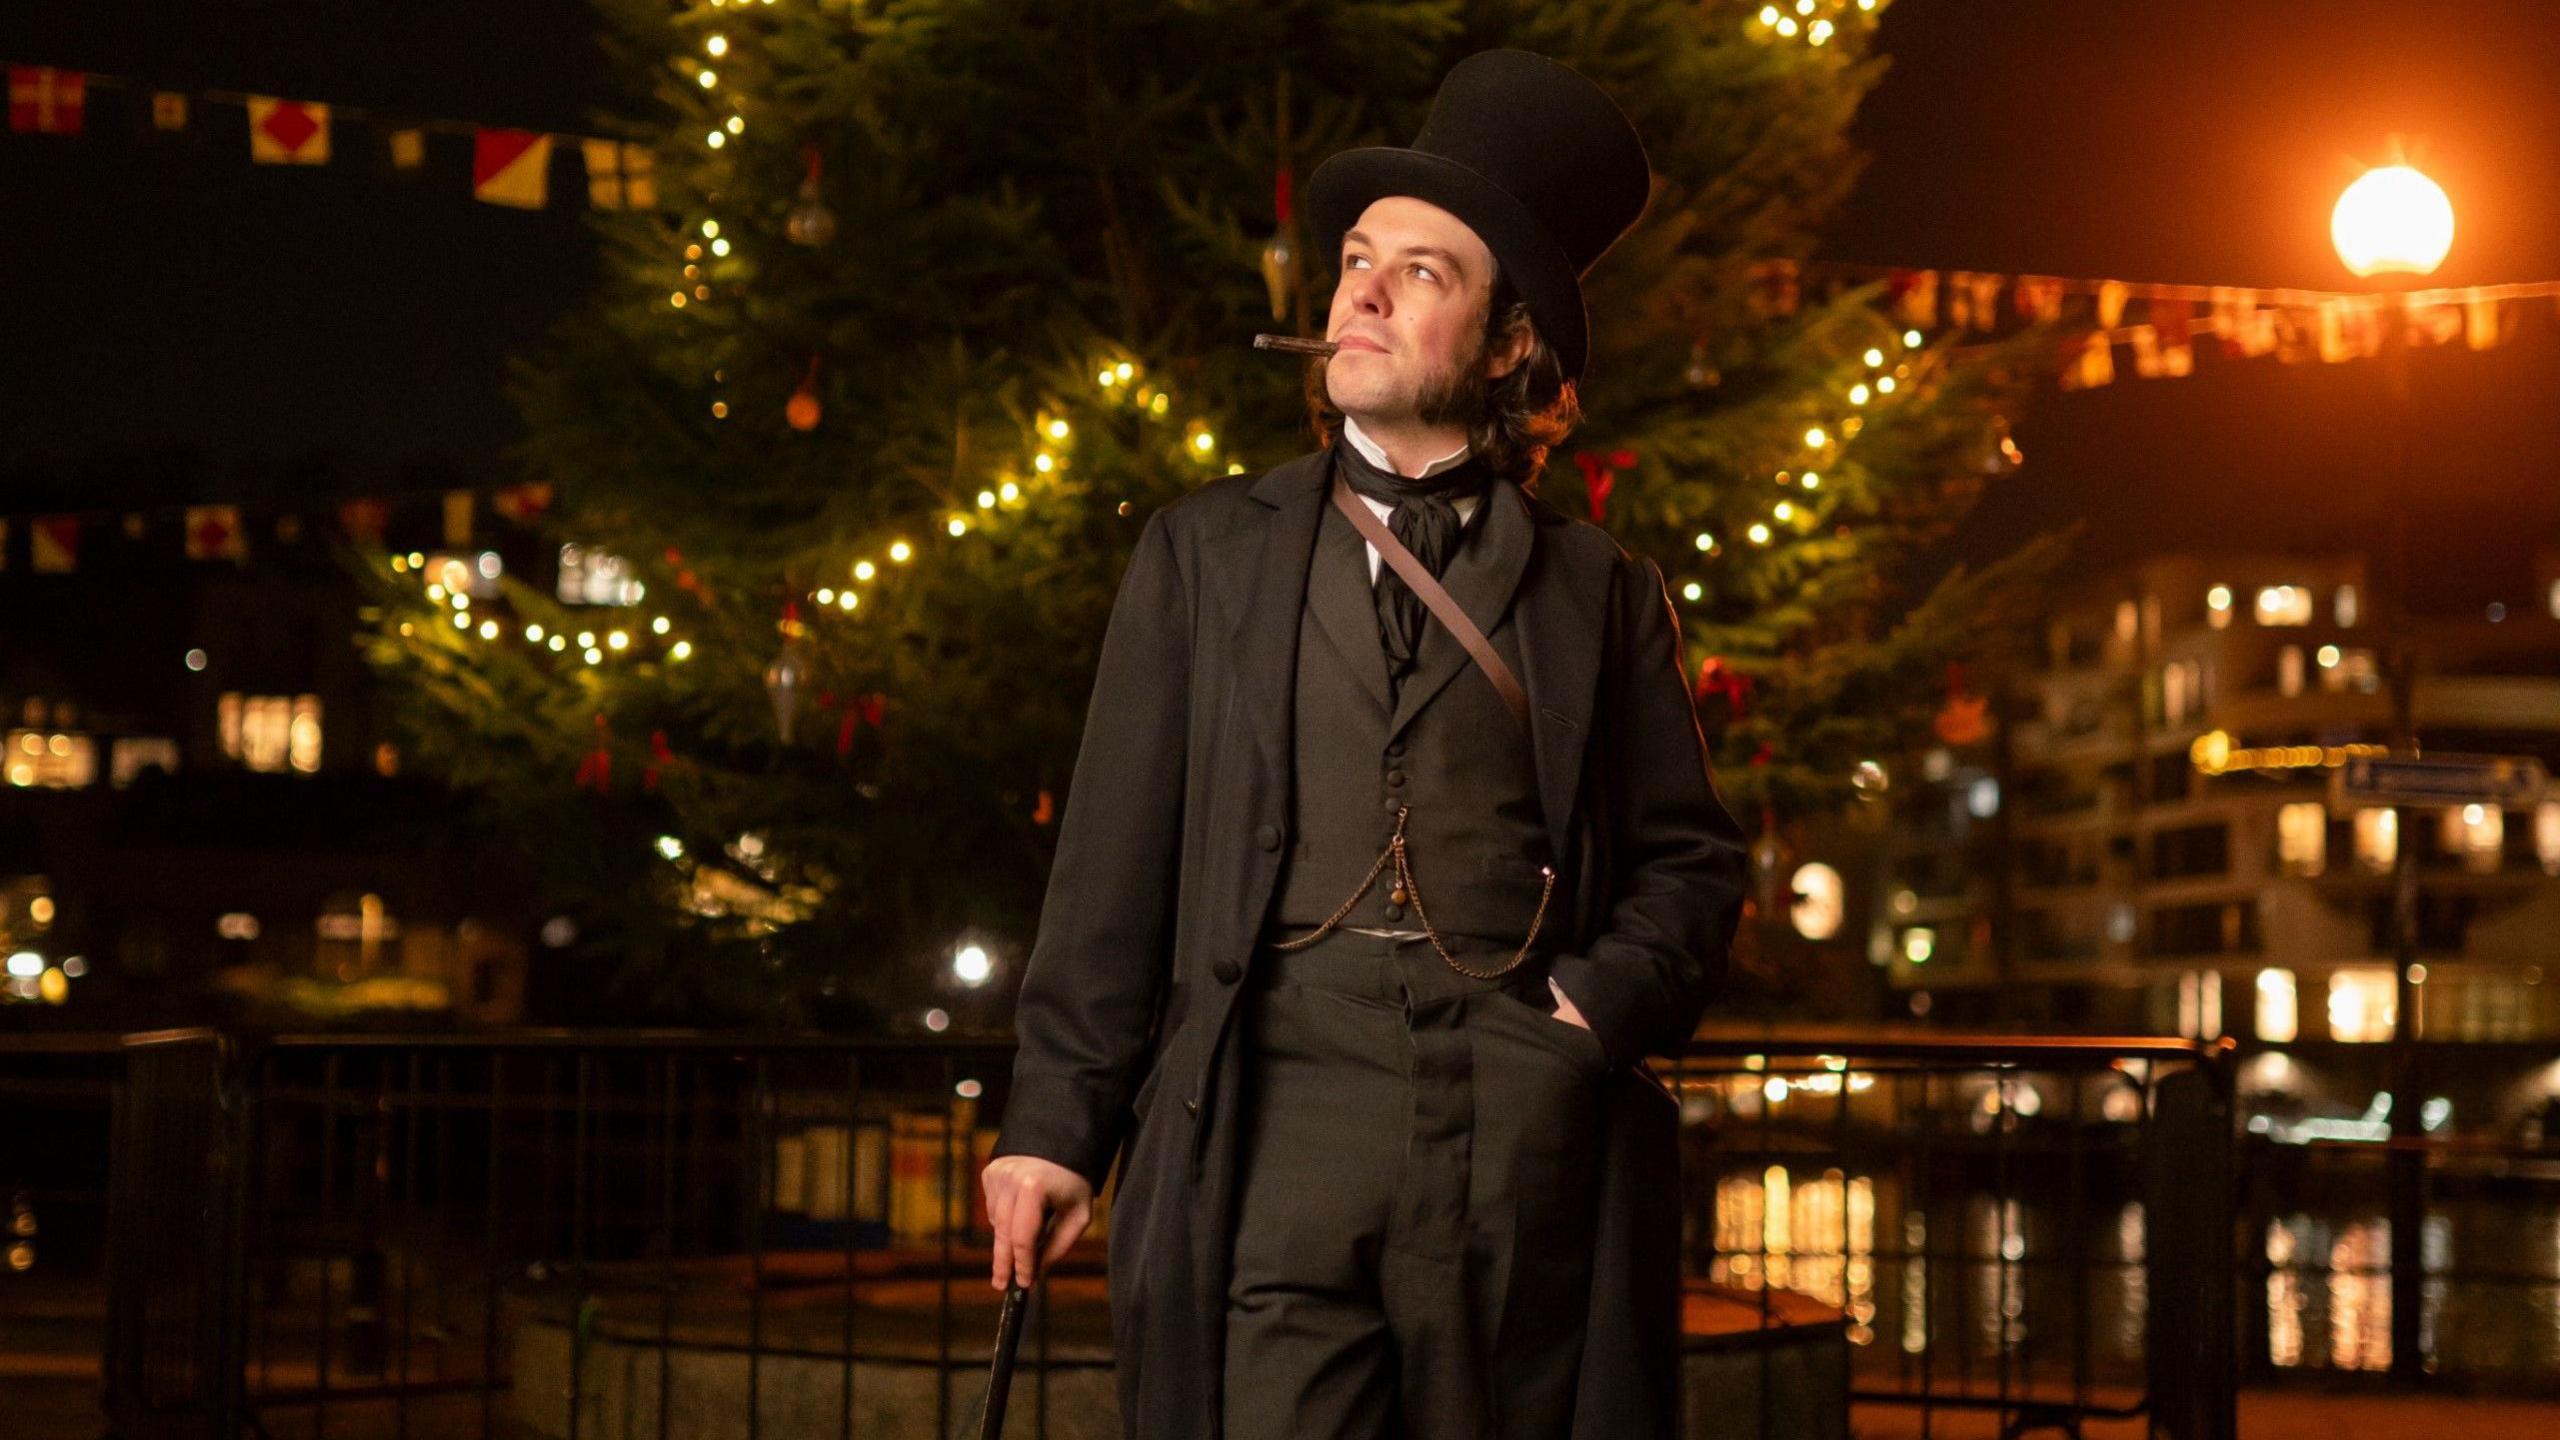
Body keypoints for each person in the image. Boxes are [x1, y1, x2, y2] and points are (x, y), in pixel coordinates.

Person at [981, 48, 1749, 1440]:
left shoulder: (1602, 591)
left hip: (1521, 1147)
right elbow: (1109, 869)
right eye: (1354, 259)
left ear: (1512, 344)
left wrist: (1584, 1019)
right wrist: (1052, 1125)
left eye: (1423, 272)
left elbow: (1692, 866)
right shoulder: (1203, 555)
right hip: (1272, 1130)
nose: (1365, 292)